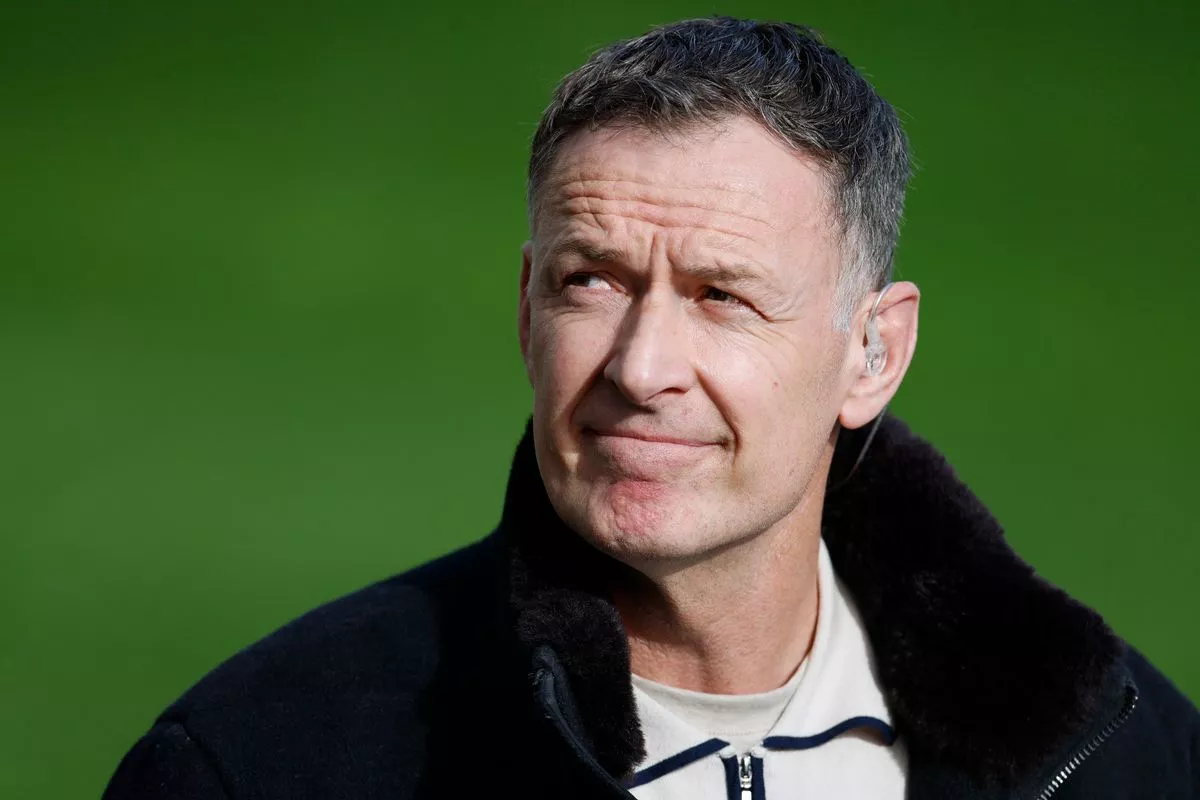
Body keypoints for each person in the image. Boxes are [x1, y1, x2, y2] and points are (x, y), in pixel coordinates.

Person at [104, 16, 1198, 800]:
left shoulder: (1121, 749)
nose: (643, 364)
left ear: (873, 350)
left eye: (722, 296)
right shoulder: (264, 759)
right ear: (527, 312)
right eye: (593, 281)